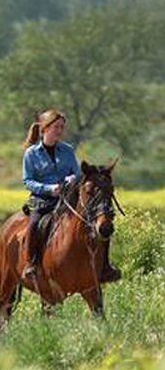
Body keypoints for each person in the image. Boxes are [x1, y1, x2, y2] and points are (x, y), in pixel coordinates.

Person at [20, 109, 120, 281]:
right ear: (45, 128)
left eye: (62, 127)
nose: (60, 131)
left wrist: (72, 178)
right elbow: (27, 181)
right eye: (56, 127)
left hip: (67, 198)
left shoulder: (67, 150)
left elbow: (76, 173)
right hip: (42, 199)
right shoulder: (31, 153)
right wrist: (49, 188)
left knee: (100, 222)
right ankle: (32, 264)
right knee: (34, 224)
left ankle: (104, 266)